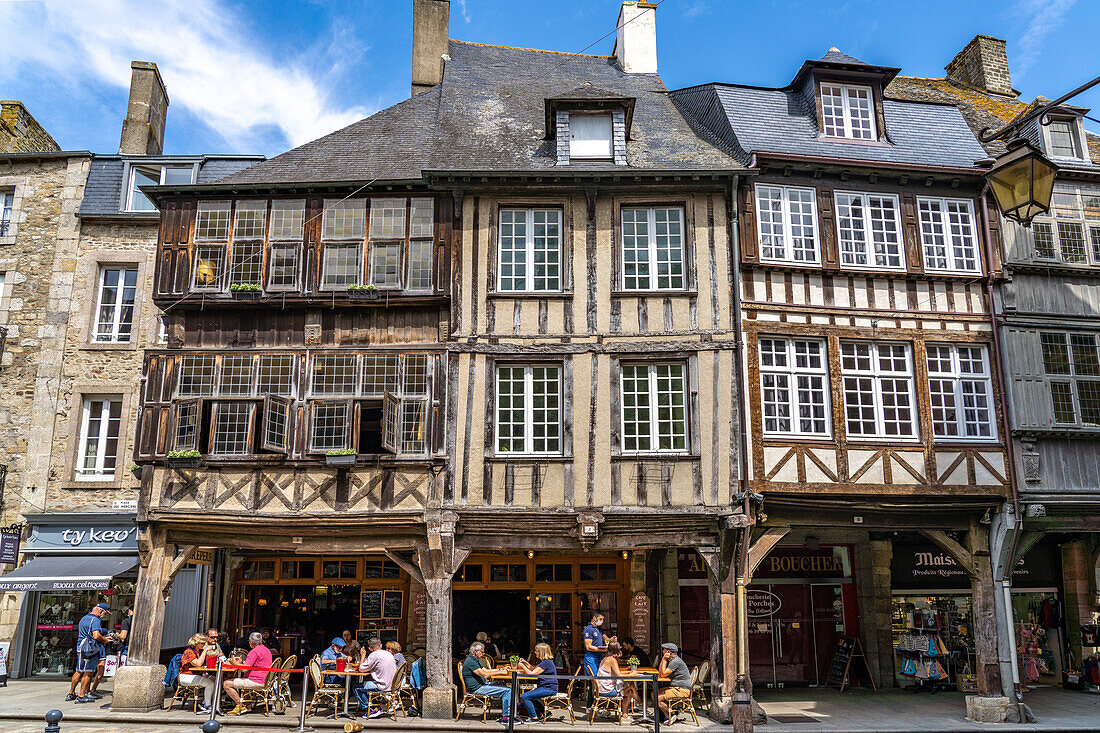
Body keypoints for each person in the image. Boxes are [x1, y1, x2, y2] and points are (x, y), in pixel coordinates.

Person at [67, 602, 114, 703]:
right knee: (88, 672)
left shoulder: (84, 618)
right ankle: (81, 695)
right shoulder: (95, 620)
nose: (103, 616)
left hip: (80, 647)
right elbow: (96, 635)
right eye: (104, 613)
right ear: (100, 610)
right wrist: (104, 639)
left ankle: (71, 693)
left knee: (79, 670)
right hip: (89, 648)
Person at [461, 641, 515, 727]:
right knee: (508, 691)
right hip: (478, 688)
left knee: (503, 685)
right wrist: (500, 672)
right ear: (475, 651)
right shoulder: (470, 661)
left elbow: (486, 670)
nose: (483, 653)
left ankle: (510, 713)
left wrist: (501, 670)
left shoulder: (474, 660)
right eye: (482, 651)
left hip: (482, 685)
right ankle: (506, 718)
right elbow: (485, 674)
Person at [223, 631, 273, 716]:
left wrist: (233, 663)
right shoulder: (266, 650)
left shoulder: (254, 651)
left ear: (251, 642)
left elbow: (244, 670)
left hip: (256, 680)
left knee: (226, 684)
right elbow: (251, 665)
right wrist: (241, 663)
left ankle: (240, 705)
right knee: (241, 679)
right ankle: (247, 705)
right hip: (265, 680)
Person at [354, 637, 398, 719]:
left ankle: (372, 709)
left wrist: (363, 655)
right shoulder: (388, 653)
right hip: (393, 685)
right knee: (364, 685)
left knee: (356, 687)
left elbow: (361, 669)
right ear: (381, 646)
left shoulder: (373, 655)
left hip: (383, 686)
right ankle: (376, 707)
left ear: (370, 648)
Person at [516, 642, 557, 722]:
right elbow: (533, 669)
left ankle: (534, 718)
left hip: (548, 689)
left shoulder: (546, 663)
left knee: (524, 696)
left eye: (536, 651)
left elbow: (532, 674)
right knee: (530, 697)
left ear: (542, 652)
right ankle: (546, 713)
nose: (535, 652)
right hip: (546, 687)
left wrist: (522, 666)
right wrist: (525, 663)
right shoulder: (545, 662)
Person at [595, 642, 639, 714]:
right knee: (630, 690)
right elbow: (619, 675)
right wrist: (632, 674)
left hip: (601, 688)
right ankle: (627, 713)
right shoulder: (612, 660)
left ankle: (638, 702)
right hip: (607, 691)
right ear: (616, 650)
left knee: (631, 686)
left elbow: (616, 673)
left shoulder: (606, 658)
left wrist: (628, 673)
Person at [179, 633, 218, 714]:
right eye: (202, 643)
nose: (204, 645)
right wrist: (205, 650)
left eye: (205, 643)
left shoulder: (199, 651)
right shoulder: (189, 652)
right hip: (186, 676)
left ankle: (207, 702)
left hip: (196, 674)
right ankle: (207, 705)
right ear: (196, 643)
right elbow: (198, 664)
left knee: (215, 680)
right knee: (209, 683)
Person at [582, 611, 613, 706]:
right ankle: (592, 705)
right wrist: (602, 649)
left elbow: (606, 639)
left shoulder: (599, 629)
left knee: (600, 680)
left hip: (598, 656)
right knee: (595, 681)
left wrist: (612, 640)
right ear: (594, 618)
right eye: (600, 619)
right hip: (591, 657)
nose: (602, 621)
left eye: (603, 619)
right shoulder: (588, 629)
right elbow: (588, 646)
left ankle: (596, 705)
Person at [656, 643, 693, 723]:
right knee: (654, 693)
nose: (662, 651)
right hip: (676, 688)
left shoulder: (675, 661)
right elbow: (660, 673)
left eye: (664, 650)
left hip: (682, 690)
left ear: (668, 651)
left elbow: (663, 674)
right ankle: (668, 716)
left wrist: (664, 660)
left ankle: (672, 714)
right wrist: (663, 660)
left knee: (657, 698)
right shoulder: (672, 660)